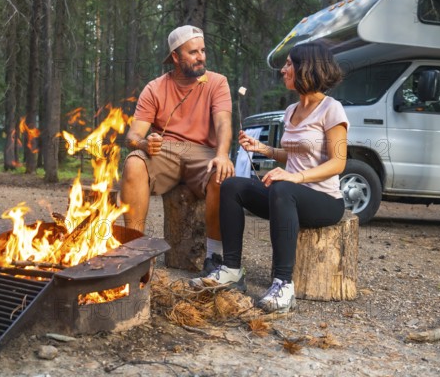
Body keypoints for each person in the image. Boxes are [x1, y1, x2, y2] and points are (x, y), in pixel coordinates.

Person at [191, 42, 348, 313]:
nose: (284, 70)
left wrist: (295, 178)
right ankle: (231, 269)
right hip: (288, 195)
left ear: (306, 68)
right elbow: (294, 155)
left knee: (283, 188)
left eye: (289, 64)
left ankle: (283, 285)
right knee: (231, 185)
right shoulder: (291, 111)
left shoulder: (331, 109)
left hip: (324, 199)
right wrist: (262, 149)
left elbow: (338, 162)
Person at [120, 25, 234, 276]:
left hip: (203, 152)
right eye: (193, 52)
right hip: (165, 152)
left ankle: (214, 256)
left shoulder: (217, 83)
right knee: (133, 163)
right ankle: (135, 252)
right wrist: (143, 144)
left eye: (203, 50)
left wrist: (222, 154)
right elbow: (133, 136)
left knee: (221, 174)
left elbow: (224, 123)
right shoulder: (155, 88)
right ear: (175, 57)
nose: (201, 56)